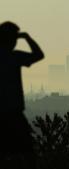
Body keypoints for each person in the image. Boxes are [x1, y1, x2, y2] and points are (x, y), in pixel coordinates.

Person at [0, 21, 44, 154]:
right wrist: (27, 38)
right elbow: (38, 55)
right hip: (14, 115)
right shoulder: (14, 57)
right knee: (26, 154)